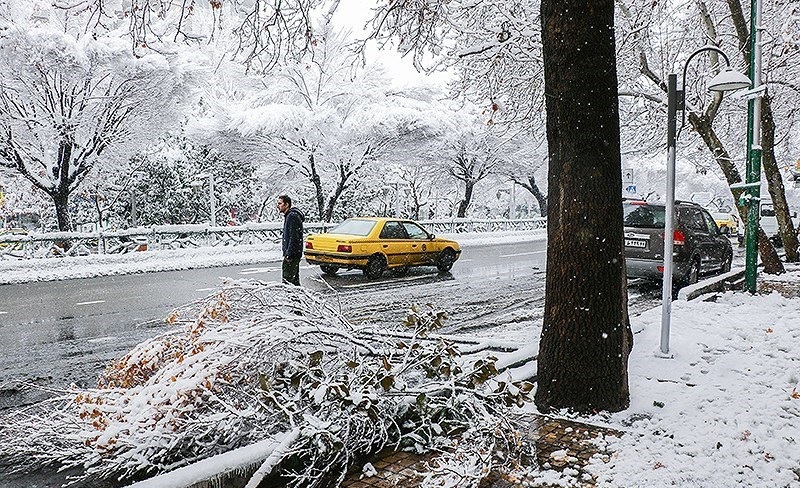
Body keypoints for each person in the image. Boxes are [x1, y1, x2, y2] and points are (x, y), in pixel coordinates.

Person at [277, 195, 304, 286]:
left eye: (280, 203)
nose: (278, 206)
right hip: (293, 254)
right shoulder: (290, 216)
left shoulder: (292, 216)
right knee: (294, 283)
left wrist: (289, 254)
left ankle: (291, 299)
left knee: (288, 282)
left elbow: (294, 237)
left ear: (287, 204)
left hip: (292, 255)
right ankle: (299, 299)